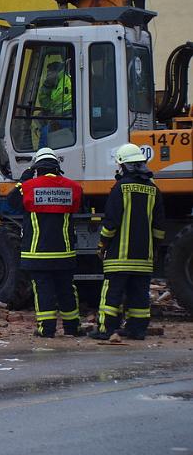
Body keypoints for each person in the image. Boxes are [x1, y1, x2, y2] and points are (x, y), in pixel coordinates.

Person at [91, 143, 166, 340]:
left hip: (119, 257)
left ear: (124, 166)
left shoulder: (120, 188)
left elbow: (111, 222)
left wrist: (102, 244)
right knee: (139, 294)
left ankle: (105, 329)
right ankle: (137, 329)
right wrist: (155, 248)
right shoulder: (154, 190)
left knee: (112, 294)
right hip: (143, 257)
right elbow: (159, 227)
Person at [6, 147, 83, 337]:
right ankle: (72, 328)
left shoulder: (29, 187)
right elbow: (79, 206)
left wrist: (23, 180)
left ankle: (46, 329)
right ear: (58, 167)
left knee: (43, 290)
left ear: (36, 168)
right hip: (64, 252)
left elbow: (11, 202)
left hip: (37, 252)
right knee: (67, 289)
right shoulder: (73, 187)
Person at [35, 59, 73, 148]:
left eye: (49, 73)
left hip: (69, 117)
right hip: (60, 116)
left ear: (56, 72)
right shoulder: (54, 83)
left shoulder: (66, 81)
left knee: (45, 133)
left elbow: (55, 99)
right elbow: (45, 102)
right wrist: (46, 85)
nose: (47, 75)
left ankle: (42, 156)